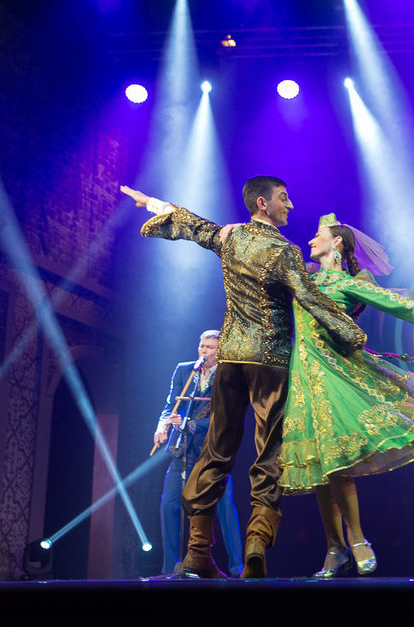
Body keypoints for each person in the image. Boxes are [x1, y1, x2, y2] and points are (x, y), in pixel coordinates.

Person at [121, 178, 366, 579]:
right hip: (270, 360)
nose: (291, 204)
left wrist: (152, 203)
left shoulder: (230, 237)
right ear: (262, 204)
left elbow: (192, 225)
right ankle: (255, 542)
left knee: (217, 449)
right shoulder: (284, 251)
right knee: (268, 449)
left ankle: (197, 551)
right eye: (284, 198)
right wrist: (351, 333)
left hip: (231, 358)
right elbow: (309, 297)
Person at [276, 213, 414, 577]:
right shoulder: (304, 279)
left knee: (336, 460)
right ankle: (334, 548)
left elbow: (401, 303)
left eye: (318, 235)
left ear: (337, 242)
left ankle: (356, 539)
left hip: (336, 376)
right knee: (319, 466)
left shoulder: (347, 284)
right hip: (303, 380)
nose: (311, 240)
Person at [153, 329, 243, 577]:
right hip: (183, 449)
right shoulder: (185, 370)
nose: (204, 351)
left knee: (224, 507)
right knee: (169, 503)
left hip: (213, 452)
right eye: (202, 346)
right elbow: (171, 404)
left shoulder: (227, 375)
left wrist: (189, 424)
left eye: (210, 347)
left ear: (219, 351)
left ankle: (238, 567)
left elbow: (224, 417)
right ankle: (171, 567)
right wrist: (162, 426)